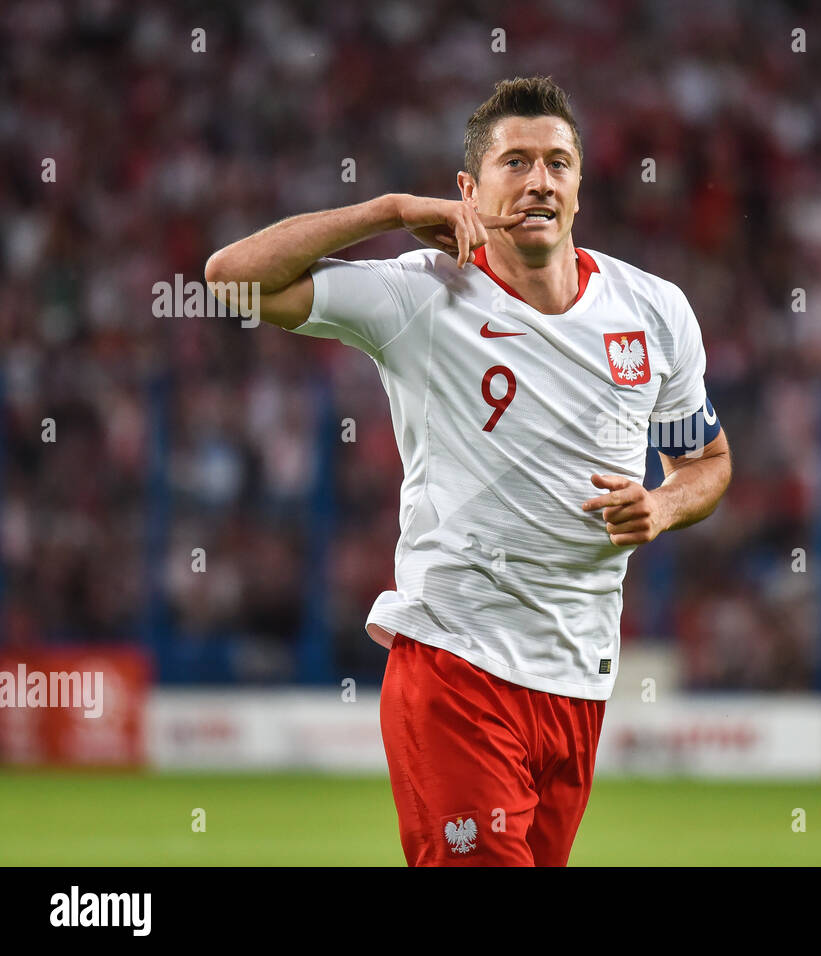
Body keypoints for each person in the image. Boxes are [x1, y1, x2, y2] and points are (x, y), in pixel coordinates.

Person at [204, 75, 732, 865]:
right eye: (514, 163)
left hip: (578, 687)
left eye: (557, 163)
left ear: (580, 186)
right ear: (469, 189)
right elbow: (230, 279)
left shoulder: (655, 311)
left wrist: (661, 507)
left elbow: (708, 463)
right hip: (457, 671)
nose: (538, 181)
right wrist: (386, 212)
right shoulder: (420, 297)